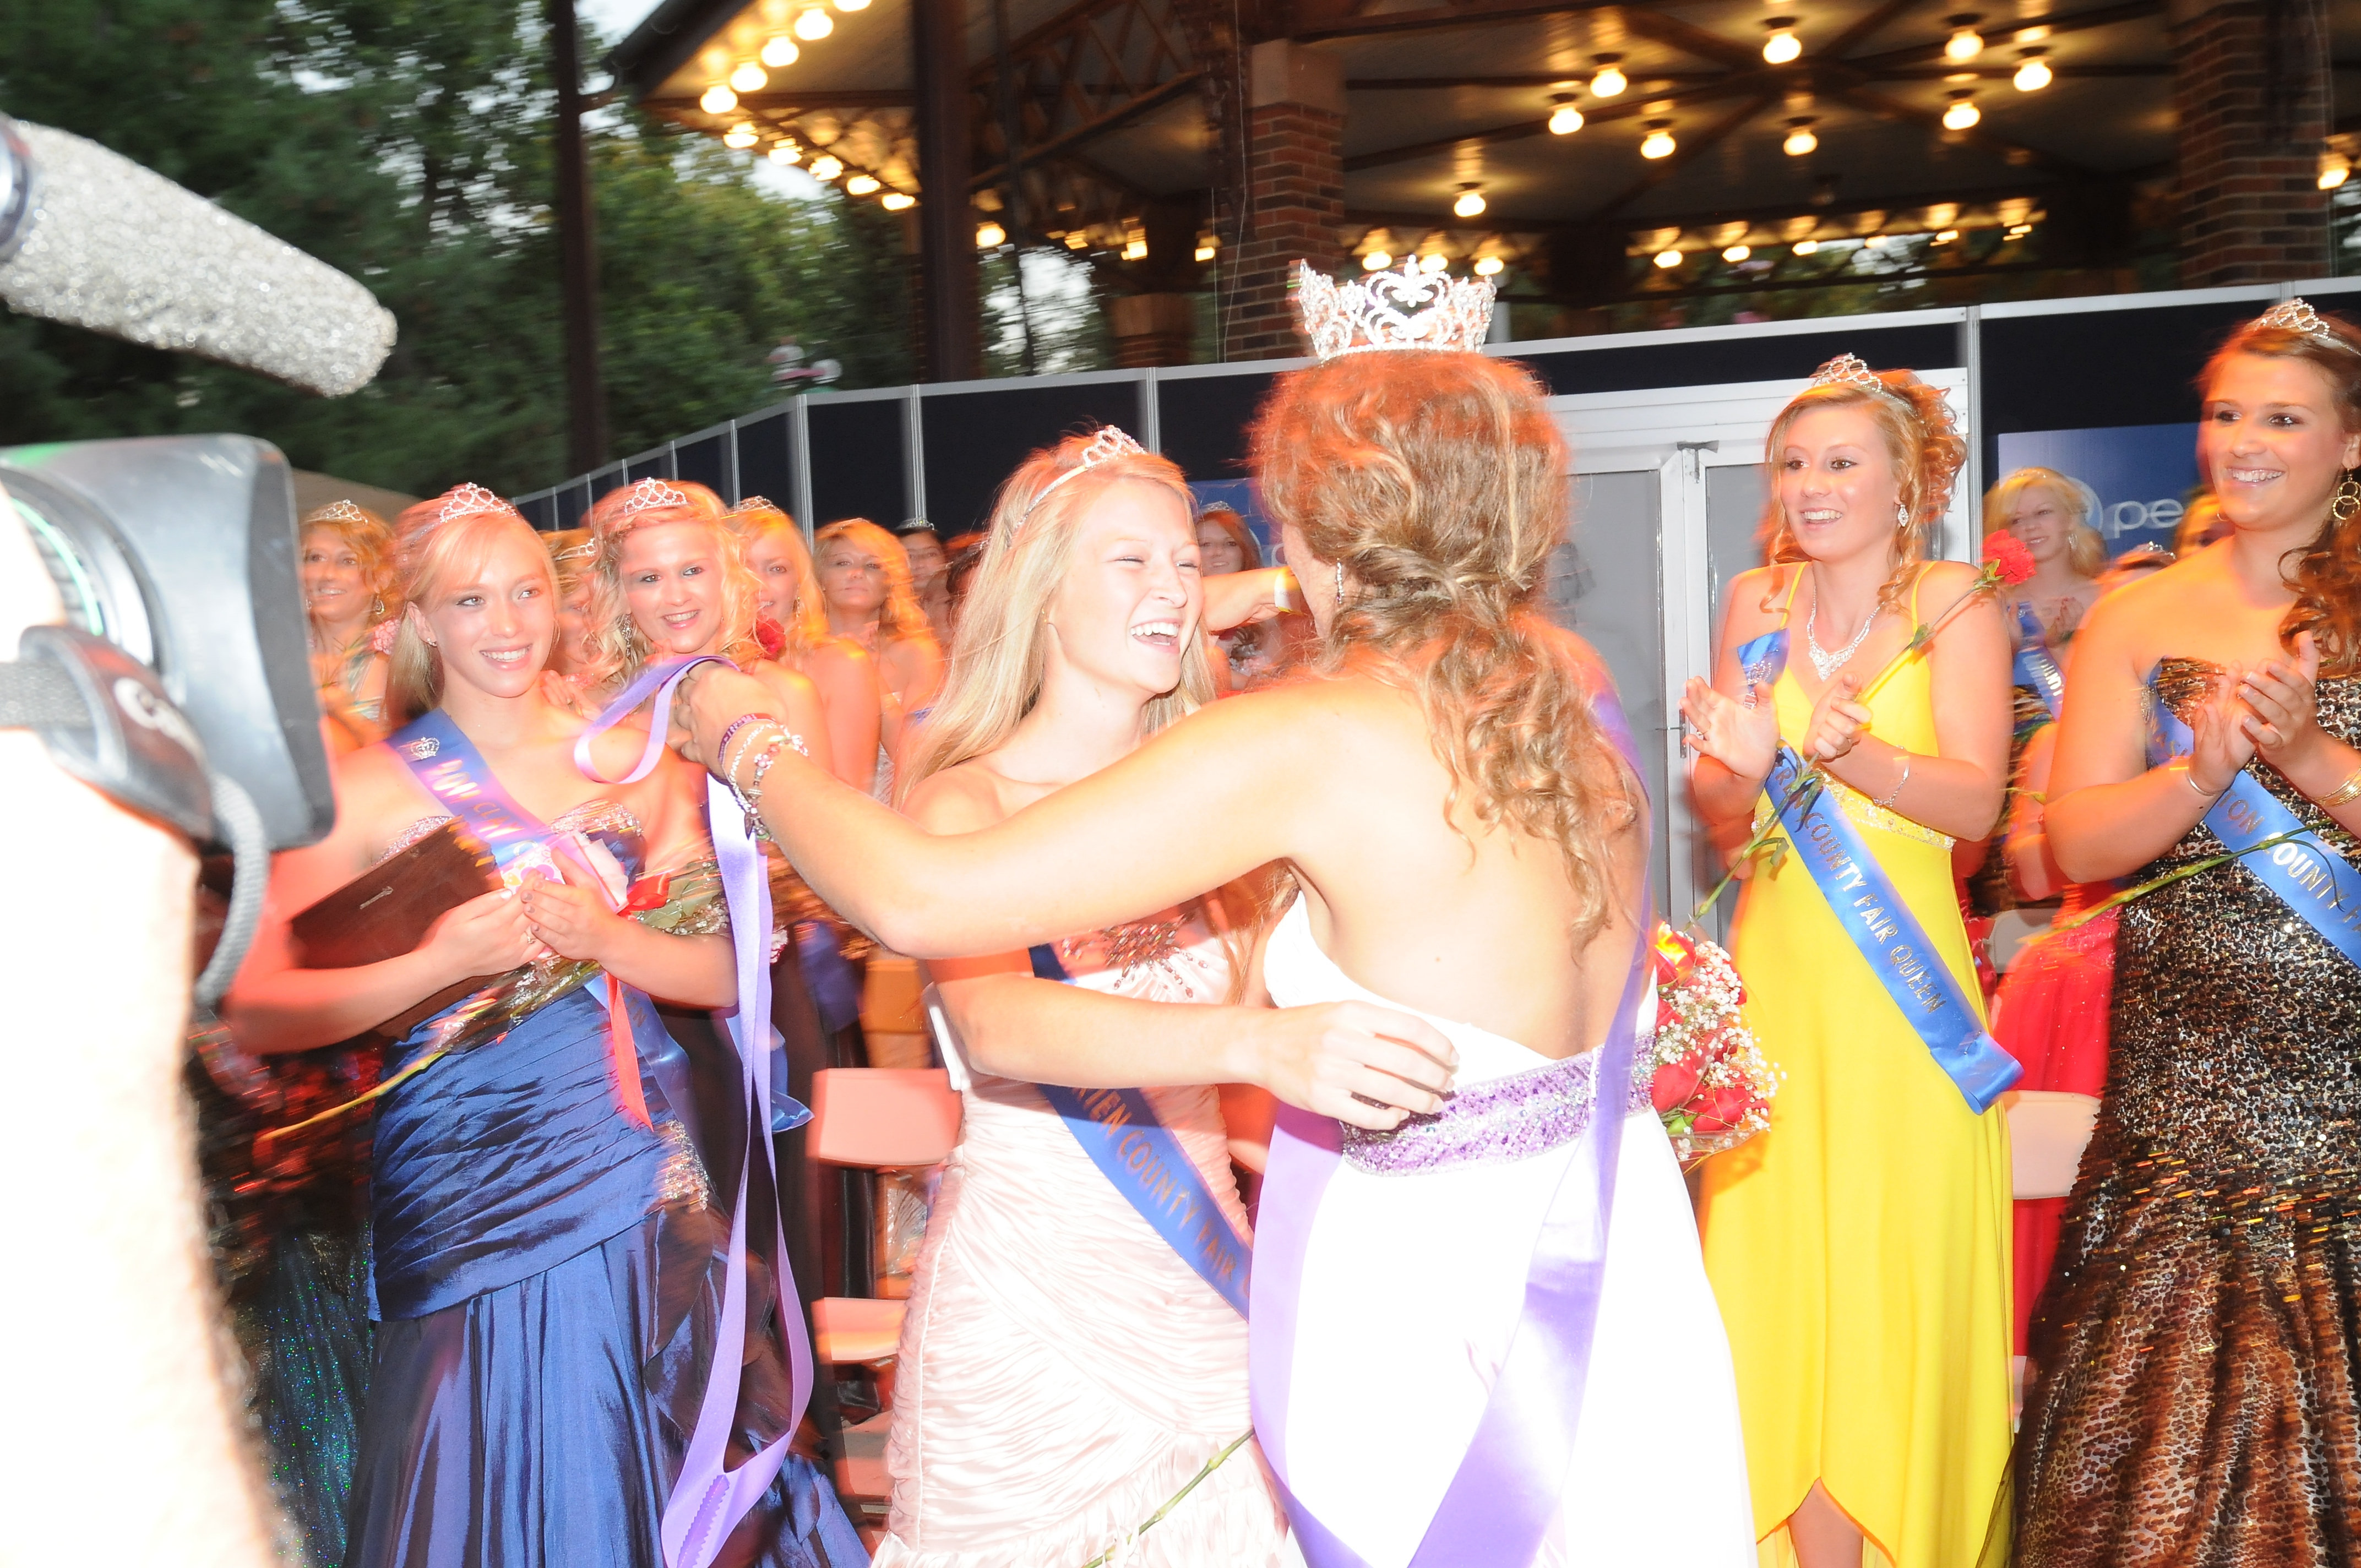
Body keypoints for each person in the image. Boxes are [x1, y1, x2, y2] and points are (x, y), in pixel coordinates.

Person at [677, 323, 1756, 1566]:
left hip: (1431, 1282)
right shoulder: (1560, 681)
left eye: (1264, 524)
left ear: (1326, 523)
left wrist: (744, 736)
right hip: (1610, 1246)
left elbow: (916, 902)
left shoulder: (1298, 738)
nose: (1238, 560)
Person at [224, 482, 862, 1568]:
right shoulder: (363, 790)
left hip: (626, 1161)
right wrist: (438, 963)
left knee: (651, 1434)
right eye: (470, 601)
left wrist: (606, 940)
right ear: (421, 622)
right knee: (467, 1446)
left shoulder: (632, 764)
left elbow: (725, 973)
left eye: (525, 592)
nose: (507, 623)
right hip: (456, 1182)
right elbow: (257, 1007)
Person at [874, 429, 1361, 1566]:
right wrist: (1253, 1044)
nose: (1172, 586)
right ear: (1041, 591)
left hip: (1207, 1289)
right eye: (1129, 560)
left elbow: (1269, 1063)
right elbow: (996, 1023)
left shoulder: (1220, 796)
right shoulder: (966, 803)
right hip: (1028, 1312)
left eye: (1185, 562)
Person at [2020, 298, 2361, 1565]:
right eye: (2225, 413)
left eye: (2282, 417)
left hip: (2344, 1100)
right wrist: (2196, 773)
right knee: (2138, 1489)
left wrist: (2309, 755)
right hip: (2176, 1102)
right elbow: (2074, 842)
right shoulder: (2136, 614)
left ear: (2349, 443)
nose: (2243, 441)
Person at [1681, 355, 2015, 1568]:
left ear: (1904, 482)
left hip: (1901, 1001)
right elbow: (1724, 810)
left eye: (1838, 461)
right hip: (1778, 986)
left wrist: (1842, 753)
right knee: (1781, 1289)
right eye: (1792, 462)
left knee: (1888, 1278)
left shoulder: (1953, 600)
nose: (1809, 484)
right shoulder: (1753, 603)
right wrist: (1733, 763)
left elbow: (1975, 805)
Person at [728, 498, 882, 790]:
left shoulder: (840, 663)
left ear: (799, 582)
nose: (758, 585)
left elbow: (851, 793)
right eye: (742, 568)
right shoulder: (696, 666)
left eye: (776, 569)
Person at [813, 518, 945, 791]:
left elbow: (918, 759)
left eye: (872, 566)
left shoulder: (917, 652)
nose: (856, 573)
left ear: (890, 582)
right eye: (842, 563)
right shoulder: (799, 651)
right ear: (819, 577)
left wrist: (871, 677)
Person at [302, 499, 399, 745]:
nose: (327, 575)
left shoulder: (399, 660)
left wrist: (343, 713)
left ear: (381, 578)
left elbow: (411, 758)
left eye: (348, 561)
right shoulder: (280, 651)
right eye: (315, 558)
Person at [893, 519, 954, 648]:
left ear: (946, 559)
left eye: (931, 554)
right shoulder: (884, 617)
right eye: (910, 556)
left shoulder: (963, 607)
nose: (920, 564)